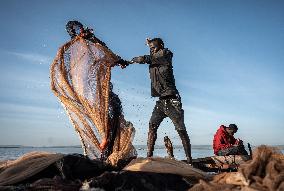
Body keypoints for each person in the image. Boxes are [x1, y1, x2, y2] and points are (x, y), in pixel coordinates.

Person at [128, 38, 192, 163]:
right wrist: (127, 62)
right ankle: (149, 158)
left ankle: (190, 160)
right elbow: (145, 59)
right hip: (161, 102)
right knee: (152, 126)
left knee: (181, 131)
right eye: (150, 48)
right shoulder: (152, 59)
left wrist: (139, 59)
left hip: (173, 100)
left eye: (154, 47)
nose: (152, 50)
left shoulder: (166, 55)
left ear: (161, 46)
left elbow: (147, 58)